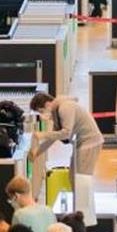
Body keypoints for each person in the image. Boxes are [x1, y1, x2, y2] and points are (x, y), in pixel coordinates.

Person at [30, 93, 103, 225]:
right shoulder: (56, 111)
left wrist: (42, 134)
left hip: (89, 143)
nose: (42, 115)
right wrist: (37, 152)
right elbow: (53, 137)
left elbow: (66, 133)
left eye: (41, 111)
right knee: (73, 177)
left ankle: (85, 218)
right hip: (81, 144)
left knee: (81, 180)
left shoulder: (65, 108)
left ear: (47, 104)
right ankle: (79, 213)